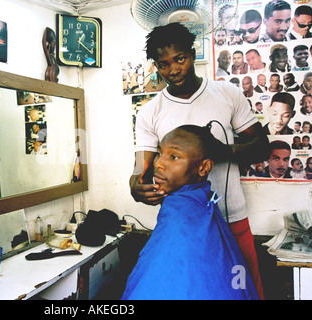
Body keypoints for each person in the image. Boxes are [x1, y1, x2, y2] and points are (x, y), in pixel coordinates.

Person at [130, 23, 268, 299]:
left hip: (233, 219)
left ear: (192, 54)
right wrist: (136, 187)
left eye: (179, 59)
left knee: (244, 290)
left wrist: (226, 152)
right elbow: (140, 172)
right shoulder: (149, 113)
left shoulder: (226, 94)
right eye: (163, 64)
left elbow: (262, 146)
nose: (173, 70)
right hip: (184, 228)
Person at [123, 125, 259, 300]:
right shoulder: (197, 201)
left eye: (173, 157)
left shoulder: (184, 218)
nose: (158, 164)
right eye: (159, 153)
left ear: (203, 168)